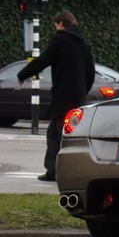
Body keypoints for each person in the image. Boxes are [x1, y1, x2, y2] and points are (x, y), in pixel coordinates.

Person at [17, 10, 95, 182]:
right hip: (77, 97)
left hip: (62, 97)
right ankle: (71, 169)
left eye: (56, 25)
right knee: (70, 133)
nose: (56, 28)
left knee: (56, 134)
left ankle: (54, 171)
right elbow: (90, 72)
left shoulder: (60, 40)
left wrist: (22, 74)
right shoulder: (83, 44)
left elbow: (43, 60)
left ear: (61, 23)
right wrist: (83, 90)